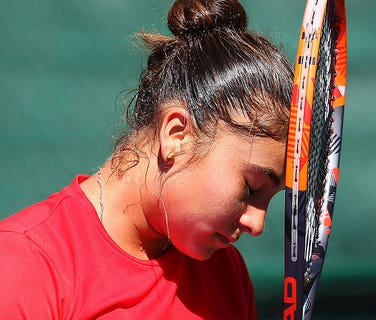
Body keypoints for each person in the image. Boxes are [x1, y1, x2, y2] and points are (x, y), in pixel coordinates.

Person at [0, 0, 293, 318]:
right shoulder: (24, 263)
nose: (257, 223)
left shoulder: (228, 273)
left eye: (269, 199)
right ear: (177, 135)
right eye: (252, 187)